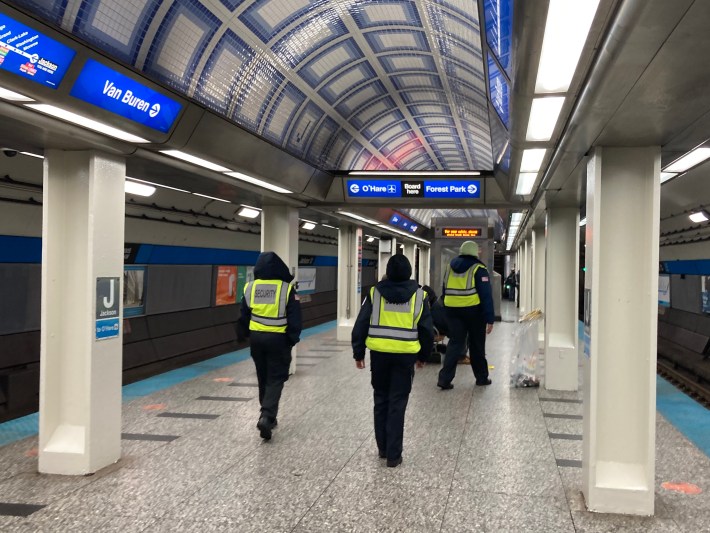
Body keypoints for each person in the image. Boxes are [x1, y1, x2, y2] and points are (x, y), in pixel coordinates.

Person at [352, 255, 433, 468]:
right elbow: (425, 330)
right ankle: (394, 455)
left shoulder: (374, 293)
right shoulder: (419, 295)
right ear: (409, 272)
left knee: (380, 399)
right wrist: (423, 356)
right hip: (405, 355)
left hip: (379, 355)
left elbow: (361, 323)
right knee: (398, 402)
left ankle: (383, 448)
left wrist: (358, 353)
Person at [238, 251, 301, 440]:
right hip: (278, 340)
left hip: (257, 340)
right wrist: (292, 339)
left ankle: (267, 415)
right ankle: (267, 416)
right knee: (276, 378)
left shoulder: (250, 287)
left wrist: (243, 335)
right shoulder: (286, 289)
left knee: (263, 376)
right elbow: (295, 318)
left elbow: (243, 315)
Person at [437, 241, 495, 389]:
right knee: (476, 345)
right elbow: (486, 296)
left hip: (451, 310)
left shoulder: (450, 267)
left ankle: (444, 379)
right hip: (473, 311)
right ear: (475, 252)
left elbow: (444, 289)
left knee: (455, 343)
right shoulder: (479, 268)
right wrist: (489, 318)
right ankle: (481, 378)